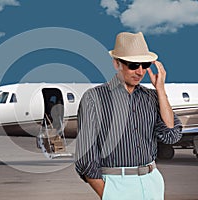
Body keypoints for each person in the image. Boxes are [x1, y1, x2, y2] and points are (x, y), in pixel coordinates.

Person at [75, 32, 182, 200]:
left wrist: (160, 90)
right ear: (117, 64)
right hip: (116, 185)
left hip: (152, 182)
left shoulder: (152, 97)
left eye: (145, 65)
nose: (140, 72)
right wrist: (108, 194)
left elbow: (171, 135)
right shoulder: (94, 98)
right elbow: (85, 157)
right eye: (133, 65)